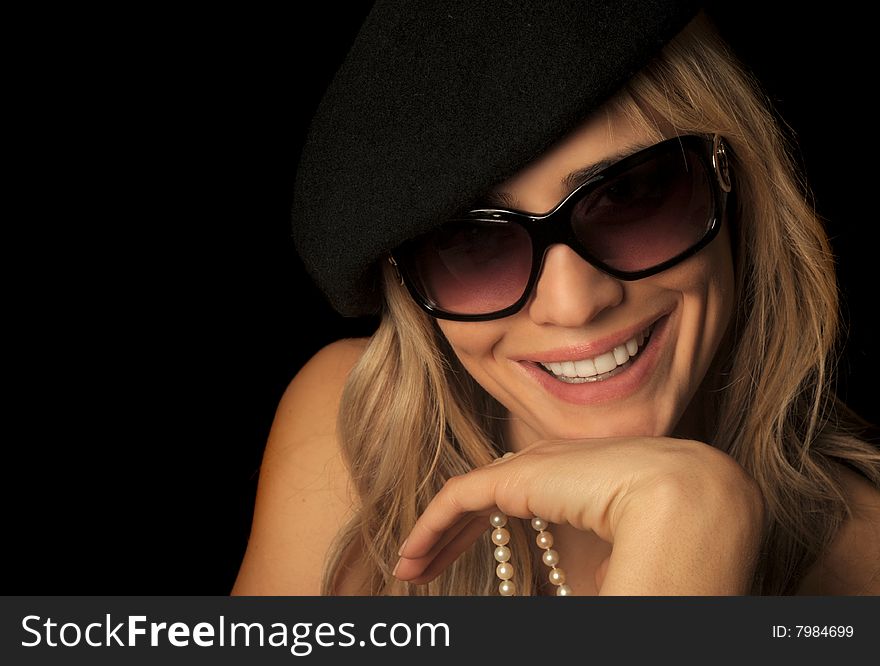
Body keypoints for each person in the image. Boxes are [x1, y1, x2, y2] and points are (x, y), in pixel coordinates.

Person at [232, 1, 880, 596]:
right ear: (408, 284)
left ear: (735, 186)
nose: (573, 305)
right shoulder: (354, 433)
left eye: (630, 196)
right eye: (473, 242)